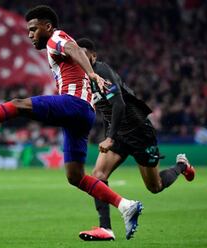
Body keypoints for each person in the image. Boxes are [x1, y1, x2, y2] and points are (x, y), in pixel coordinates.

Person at [0, 5, 143, 240]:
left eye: (33, 29)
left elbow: (74, 49)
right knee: (75, 176)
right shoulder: (53, 45)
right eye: (28, 30)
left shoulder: (56, 37)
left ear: (47, 26)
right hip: (83, 114)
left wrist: (93, 73)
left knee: (18, 104)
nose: (29, 34)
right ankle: (126, 205)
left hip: (74, 104)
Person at [76, 38, 196, 241]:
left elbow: (119, 105)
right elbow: (107, 111)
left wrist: (110, 137)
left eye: (84, 54)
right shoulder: (85, 79)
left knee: (155, 186)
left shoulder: (101, 71)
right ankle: (105, 228)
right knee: (97, 175)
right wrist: (110, 136)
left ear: (93, 56)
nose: (80, 58)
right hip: (120, 135)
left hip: (140, 132)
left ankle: (181, 166)